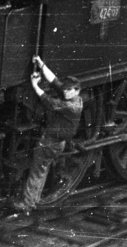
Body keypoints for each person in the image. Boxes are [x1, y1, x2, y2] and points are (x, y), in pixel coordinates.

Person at [14, 56, 85, 213]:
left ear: (77, 91)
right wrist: (41, 64)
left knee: (37, 172)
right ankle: (31, 201)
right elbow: (55, 81)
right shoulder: (74, 97)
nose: (65, 92)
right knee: (40, 170)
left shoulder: (71, 107)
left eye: (68, 90)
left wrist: (34, 85)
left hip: (51, 142)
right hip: (53, 141)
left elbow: (48, 101)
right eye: (65, 89)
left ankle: (28, 204)